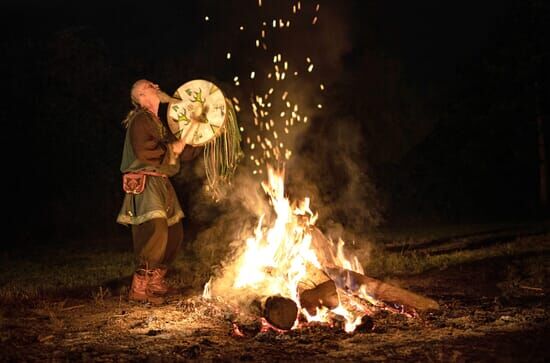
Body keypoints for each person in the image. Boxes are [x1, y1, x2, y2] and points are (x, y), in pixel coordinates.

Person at [116, 79, 198, 304]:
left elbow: (182, 151)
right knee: (156, 228)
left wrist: (198, 135)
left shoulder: (158, 123)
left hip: (161, 182)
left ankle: (155, 281)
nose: (157, 85)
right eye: (150, 85)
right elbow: (145, 151)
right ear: (142, 95)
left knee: (175, 233)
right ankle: (140, 286)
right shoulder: (140, 119)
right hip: (145, 180)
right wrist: (172, 148)